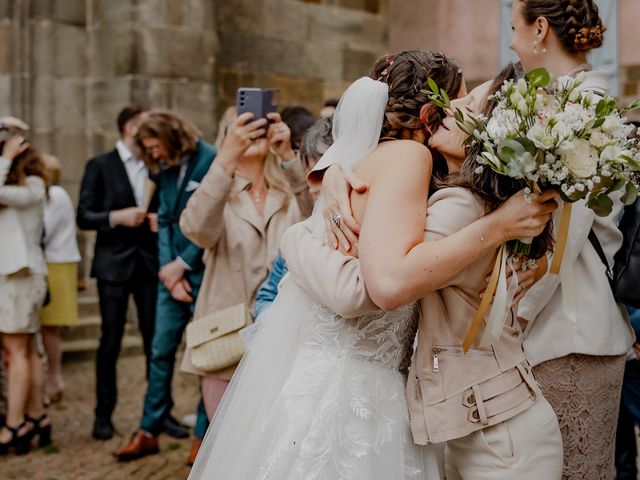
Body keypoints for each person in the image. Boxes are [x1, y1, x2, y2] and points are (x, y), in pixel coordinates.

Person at [189, 51, 556, 480]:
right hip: (354, 387)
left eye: (471, 107)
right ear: (428, 112)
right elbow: (371, 286)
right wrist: (299, 233)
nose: (461, 111)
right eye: (459, 100)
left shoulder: (392, 168)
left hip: (339, 381)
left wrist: (306, 222)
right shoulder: (407, 159)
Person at [508, 2, 634, 478]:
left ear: (540, 29)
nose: (511, 42)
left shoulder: (584, 104)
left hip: (569, 328)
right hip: (557, 325)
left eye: (514, 28)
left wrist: (515, 313)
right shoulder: (557, 100)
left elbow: (569, 233)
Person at [179, 107, 305, 464]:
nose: (252, 129)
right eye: (241, 124)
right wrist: (225, 160)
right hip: (225, 336)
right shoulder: (217, 191)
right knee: (227, 446)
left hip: (285, 333)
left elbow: (320, 220)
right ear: (227, 135)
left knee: (275, 445)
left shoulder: (289, 189)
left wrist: (288, 157)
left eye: (259, 122)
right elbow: (197, 229)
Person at [115, 110, 215, 461]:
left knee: (206, 357)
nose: (153, 155)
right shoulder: (168, 167)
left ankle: (203, 435)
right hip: (171, 279)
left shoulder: (212, 159)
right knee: (159, 353)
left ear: (171, 136)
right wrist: (168, 272)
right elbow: (166, 220)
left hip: (204, 275)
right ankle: (149, 428)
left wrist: (183, 264)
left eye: (155, 147)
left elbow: (213, 220)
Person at [77, 105, 159, 441]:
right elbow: (83, 215)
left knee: (156, 341)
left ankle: (156, 414)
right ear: (128, 128)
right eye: (143, 125)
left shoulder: (156, 166)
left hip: (149, 263)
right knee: (109, 341)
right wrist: (116, 217)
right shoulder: (99, 165)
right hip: (112, 264)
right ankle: (103, 415)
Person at [251, 115, 332, 321]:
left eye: (320, 175)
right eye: (308, 174)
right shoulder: (298, 236)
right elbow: (266, 296)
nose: (311, 187)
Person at [0, 137, 51, 455]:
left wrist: (5, 155)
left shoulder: (33, 185)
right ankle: (38, 415)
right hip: (14, 278)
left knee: (15, 352)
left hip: (21, 277)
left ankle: (15, 423)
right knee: (25, 349)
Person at [40, 154, 81, 404]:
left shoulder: (56, 195)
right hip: (51, 262)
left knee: (50, 326)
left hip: (56, 263)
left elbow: (44, 230)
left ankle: (54, 379)